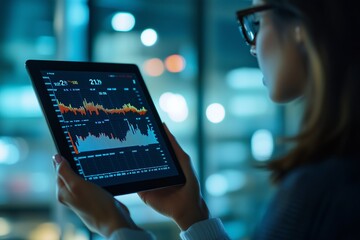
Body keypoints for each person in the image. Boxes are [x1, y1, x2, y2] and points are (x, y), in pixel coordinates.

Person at [52, 0, 360, 238]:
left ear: (298, 25)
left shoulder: (320, 188)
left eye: (256, 22)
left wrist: (114, 226)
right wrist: (192, 215)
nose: (252, 46)